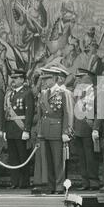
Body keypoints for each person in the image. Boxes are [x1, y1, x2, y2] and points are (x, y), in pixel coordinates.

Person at [36, 66, 73, 194]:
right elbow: (41, 114)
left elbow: (68, 113)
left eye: (47, 79)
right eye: (43, 79)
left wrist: (66, 132)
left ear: (54, 79)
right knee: (49, 161)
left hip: (57, 130)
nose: (44, 81)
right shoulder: (44, 93)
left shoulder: (64, 93)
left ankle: (59, 186)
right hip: (46, 130)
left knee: (58, 161)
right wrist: (40, 130)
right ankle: (51, 185)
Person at [4, 69, 34, 189]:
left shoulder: (27, 93)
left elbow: (30, 112)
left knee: (22, 157)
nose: (13, 80)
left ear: (22, 79)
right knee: (13, 158)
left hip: (21, 129)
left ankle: (24, 182)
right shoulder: (10, 94)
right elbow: (7, 113)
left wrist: (26, 129)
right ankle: (14, 182)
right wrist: (6, 130)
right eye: (12, 78)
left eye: (16, 78)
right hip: (11, 129)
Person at [74, 68, 100, 190]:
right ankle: (85, 182)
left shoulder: (96, 92)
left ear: (88, 78)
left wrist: (96, 128)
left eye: (81, 77)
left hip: (89, 129)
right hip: (78, 128)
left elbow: (99, 113)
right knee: (82, 158)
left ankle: (94, 182)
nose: (78, 80)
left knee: (90, 157)